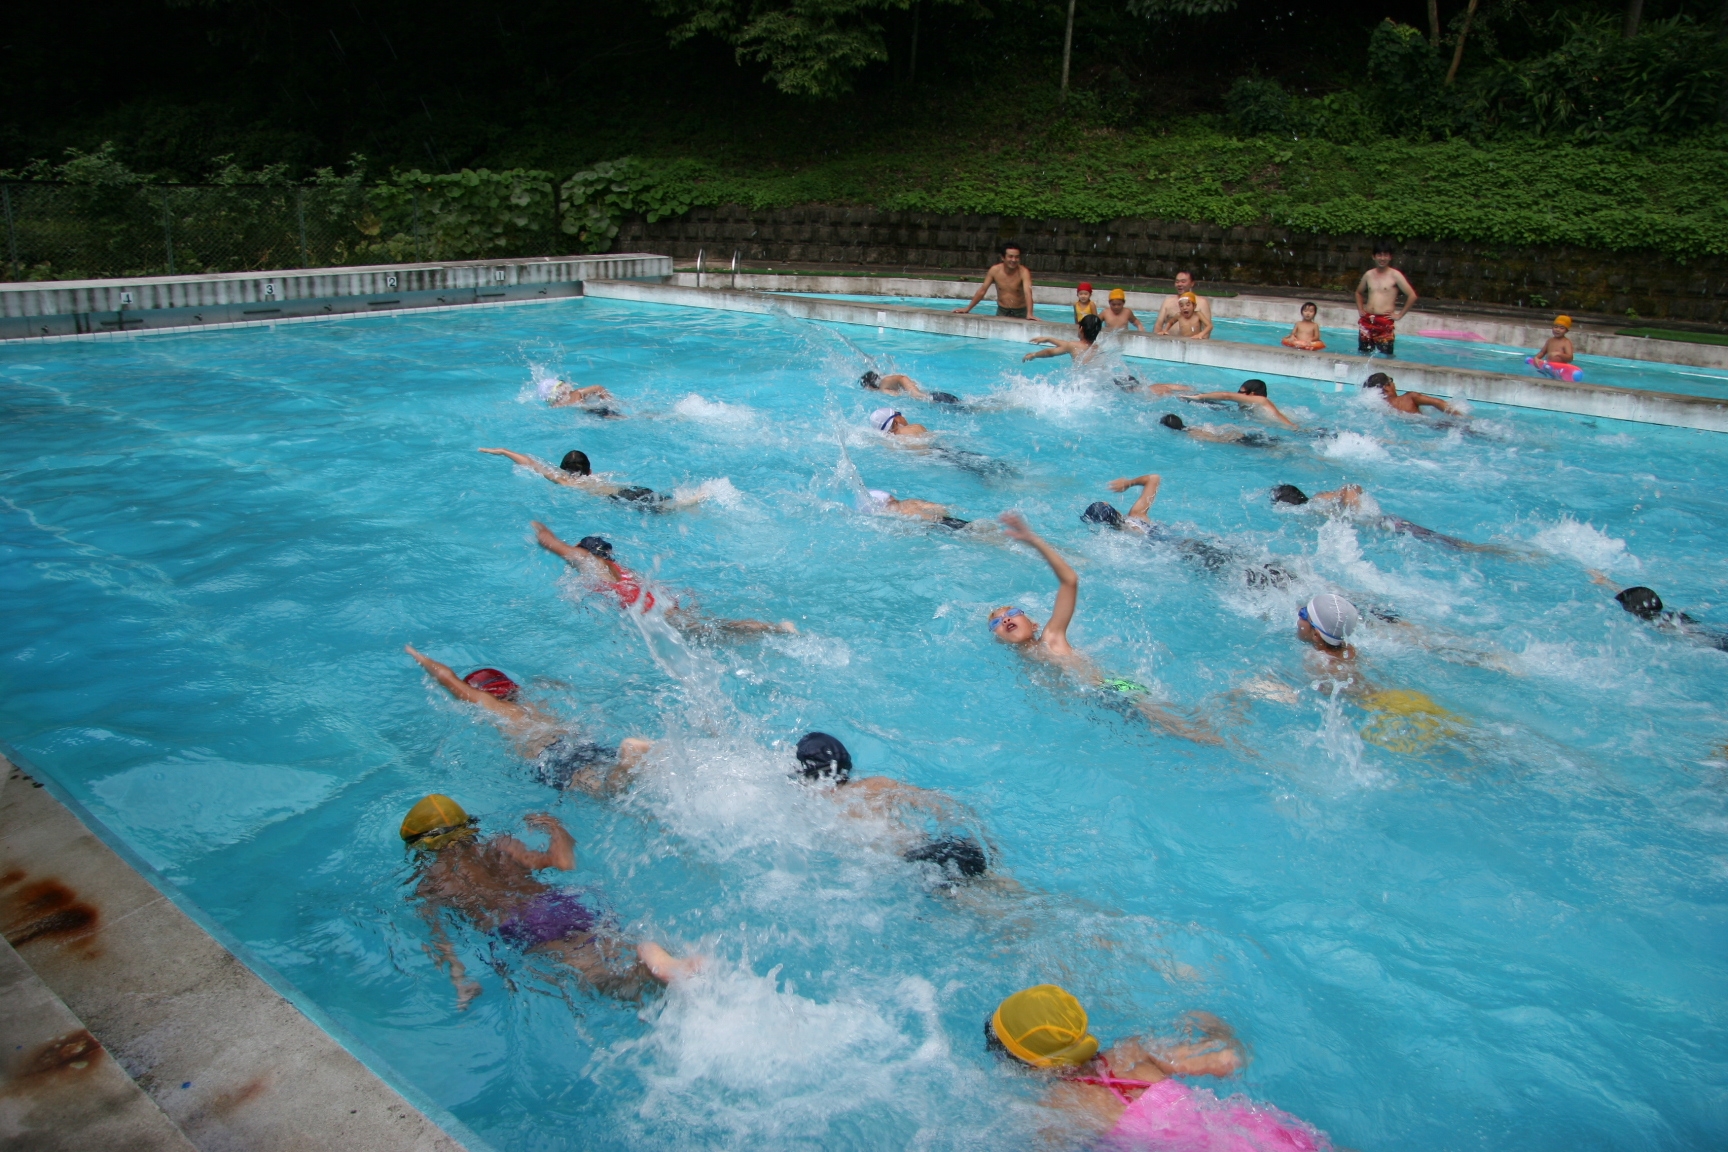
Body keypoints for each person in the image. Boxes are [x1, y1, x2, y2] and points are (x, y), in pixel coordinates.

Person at [401, 795, 698, 1006]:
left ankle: (647, 968)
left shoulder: (432, 883)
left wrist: (460, 980)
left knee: (597, 975)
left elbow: (438, 938)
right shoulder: (499, 847)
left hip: (520, 924)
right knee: (607, 943)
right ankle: (653, 955)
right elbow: (564, 862)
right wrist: (554, 827)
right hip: (557, 902)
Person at [984, 984, 1328, 1152]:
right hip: (1257, 1131)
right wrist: (1216, 1029)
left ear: (1034, 1065)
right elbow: (1227, 1061)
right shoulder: (1132, 1052)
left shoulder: (1056, 1107)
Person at [990, 512, 1219, 744]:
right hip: (1100, 700)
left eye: (1012, 613)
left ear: (1034, 625)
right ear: (998, 638)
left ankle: (1234, 715)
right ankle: (1231, 701)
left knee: (1197, 736)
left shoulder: (1051, 637)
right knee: (1188, 727)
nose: (1005, 620)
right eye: (996, 622)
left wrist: (1034, 541)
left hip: (1114, 690)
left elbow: (1070, 580)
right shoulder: (1024, 661)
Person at [405, 645, 653, 794]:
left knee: (606, 792)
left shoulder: (496, 709)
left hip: (553, 756)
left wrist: (420, 657)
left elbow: (448, 679)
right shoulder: (533, 702)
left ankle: (627, 756)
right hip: (579, 742)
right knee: (633, 784)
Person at [791, 732, 991, 884]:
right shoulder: (875, 785)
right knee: (995, 886)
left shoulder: (822, 811)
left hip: (918, 862)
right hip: (944, 844)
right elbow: (940, 803)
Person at [530, 522, 793, 636]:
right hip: (661, 603)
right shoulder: (619, 567)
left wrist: (537, 526)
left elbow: (550, 542)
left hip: (655, 613)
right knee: (708, 629)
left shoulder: (589, 561)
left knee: (715, 630)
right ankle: (771, 628)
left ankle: (776, 628)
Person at [1084, 474, 1294, 589]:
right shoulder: (1138, 515)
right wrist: (1129, 483)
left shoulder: (1122, 542)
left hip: (1187, 558)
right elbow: (1154, 478)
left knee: (1241, 577)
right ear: (1115, 510)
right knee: (1244, 564)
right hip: (1193, 544)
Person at [1271, 484, 1504, 553]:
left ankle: (1489, 549)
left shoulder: (1318, 500)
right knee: (1440, 541)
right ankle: (1483, 549)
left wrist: (1358, 514)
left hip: (1384, 523)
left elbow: (1351, 488)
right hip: (1386, 523)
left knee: (1447, 543)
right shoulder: (1313, 505)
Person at [477, 447, 704, 512]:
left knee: (670, 510)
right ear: (590, 470)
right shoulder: (598, 478)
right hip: (630, 488)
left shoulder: (566, 481)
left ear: (562, 469)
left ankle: (694, 500)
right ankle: (693, 498)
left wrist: (503, 451)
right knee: (668, 501)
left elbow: (530, 463)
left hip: (620, 498)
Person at [1587, 571, 1728, 651]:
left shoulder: (1655, 620)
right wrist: (1607, 582)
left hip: (1713, 642)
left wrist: (1606, 582)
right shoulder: (1672, 615)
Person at [1354, 240, 1418, 357]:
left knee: (1386, 354)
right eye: (1379, 255)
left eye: (1385, 255)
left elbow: (1412, 295)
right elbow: (1358, 292)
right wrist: (1360, 309)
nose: (1382, 258)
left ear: (1390, 257)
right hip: (1367, 320)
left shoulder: (1395, 275)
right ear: (1374, 257)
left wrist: (1399, 315)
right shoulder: (1369, 275)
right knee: (1363, 352)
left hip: (1384, 321)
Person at [954, 241, 1037, 320]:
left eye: (1017, 257)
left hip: (1020, 311)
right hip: (1002, 310)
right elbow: (982, 290)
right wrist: (967, 308)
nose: (1014, 260)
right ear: (1003, 257)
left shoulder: (1024, 272)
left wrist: (1029, 314)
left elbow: (1028, 293)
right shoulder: (995, 270)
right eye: (1010, 256)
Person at [1180, 379, 1298, 429]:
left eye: (1240, 393)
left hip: (1292, 432)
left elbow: (1226, 395)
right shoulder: (1259, 405)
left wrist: (1199, 396)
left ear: (1252, 394)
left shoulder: (1261, 400)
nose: (1237, 395)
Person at [864, 487, 975, 532]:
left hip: (937, 527)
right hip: (948, 520)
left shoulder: (892, 516)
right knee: (974, 529)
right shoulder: (911, 502)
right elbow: (941, 508)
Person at [1361, 372, 1460, 417]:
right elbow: (1438, 402)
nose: (1394, 383)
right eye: (1391, 380)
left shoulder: (1379, 408)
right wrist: (1460, 416)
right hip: (1429, 425)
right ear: (1386, 387)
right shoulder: (1410, 398)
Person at [1158, 412, 1275, 447]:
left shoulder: (1191, 435)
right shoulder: (1192, 427)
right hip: (1236, 435)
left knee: (1267, 446)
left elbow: (1218, 440)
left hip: (1235, 440)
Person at [1023, 314, 1103, 363]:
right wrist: (1049, 339)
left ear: (1081, 328)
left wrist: (1034, 355)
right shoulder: (1097, 348)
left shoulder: (1073, 346)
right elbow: (1067, 345)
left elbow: (1049, 352)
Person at [1527, 316, 1583, 383]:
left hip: (1560, 369)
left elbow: (1570, 358)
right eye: (1555, 327)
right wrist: (1536, 358)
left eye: (1562, 328)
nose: (1557, 330)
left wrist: (1559, 354)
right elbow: (1542, 352)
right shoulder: (1550, 341)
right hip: (1549, 367)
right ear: (1552, 327)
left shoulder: (1566, 342)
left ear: (1566, 331)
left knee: (1559, 381)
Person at [860, 370, 959, 404]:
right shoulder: (885, 384)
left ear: (868, 386)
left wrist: (915, 393)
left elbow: (902, 378)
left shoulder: (883, 385)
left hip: (934, 398)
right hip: (936, 396)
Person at [545, 381, 623, 417]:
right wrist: (612, 402)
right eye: (563, 383)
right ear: (559, 387)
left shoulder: (555, 405)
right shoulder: (576, 393)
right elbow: (598, 388)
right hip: (598, 411)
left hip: (587, 416)